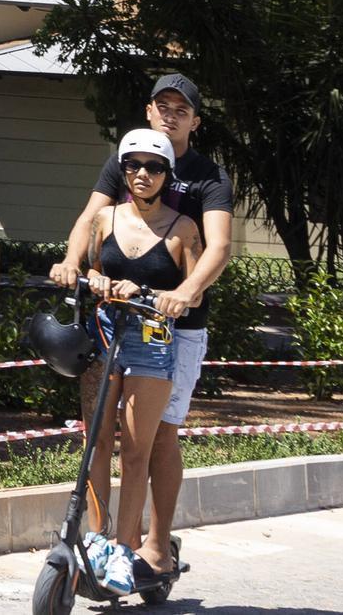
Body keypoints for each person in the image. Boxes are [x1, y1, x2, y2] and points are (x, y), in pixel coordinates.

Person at [50, 74, 234, 579]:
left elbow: (216, 248)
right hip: (115, 318)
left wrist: (186, 292)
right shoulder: (125, 159)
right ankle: (99, 538)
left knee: (158, 438)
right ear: (150, 112)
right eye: (163, 106)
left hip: (177, 325)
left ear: (195, 120)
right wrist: (72, 263)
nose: (171, 115)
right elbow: (91, 219)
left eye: (182, 109)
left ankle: (154, 545)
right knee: (99, 437)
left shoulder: (207, 177)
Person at [80, 127, 203, 594]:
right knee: (94, 440)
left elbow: (191, 294)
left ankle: (124, 548)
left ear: (167, 175)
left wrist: (159, 295)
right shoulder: (105, 218)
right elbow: (91, 265)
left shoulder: (182, 228)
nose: (141, 174)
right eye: (132, 165)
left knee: (135, 450)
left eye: (153, 167)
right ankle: (94, 539)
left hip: (152, 341)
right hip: (106, 331)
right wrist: (94, 279)